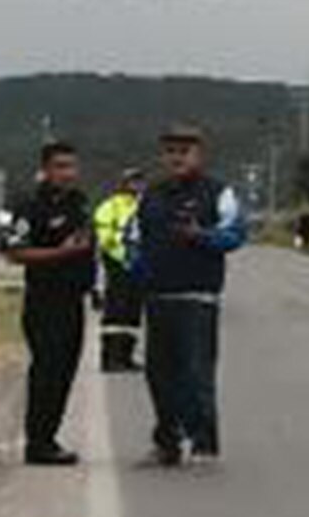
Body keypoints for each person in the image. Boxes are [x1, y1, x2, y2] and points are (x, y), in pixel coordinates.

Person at [133, 126, 245, 466]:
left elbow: (236, 234)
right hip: (157, 297)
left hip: (198, 298)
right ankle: (167, 442)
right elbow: (132, 237)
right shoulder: (150, 194)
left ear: (199, 154)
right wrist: (139, 268)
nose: (177, 156)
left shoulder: (218, 192)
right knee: (158, 374)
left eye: (185, 150)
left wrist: (201, 236)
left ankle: (203, 443)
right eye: (170, 150)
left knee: (196, 374)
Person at [2, 140, 97, 466]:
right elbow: (15, 252)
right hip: (45, 301)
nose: (68, 173)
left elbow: (87, 243)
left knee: (65, 372)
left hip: (74, 298)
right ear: (45, 169)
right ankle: (37, 443)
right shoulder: (30, 205)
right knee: (47, 371)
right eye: (60, 166)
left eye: (72, 166)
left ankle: (49, 437)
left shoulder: (79, 202)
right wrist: (61, 253)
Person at [92, 168, 149, 375]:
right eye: (133, 181)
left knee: (133, 313)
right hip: (116, 263)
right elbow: (104, 236)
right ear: (123, 183)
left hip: (139, 265)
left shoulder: (145, 205)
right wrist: (123, 254)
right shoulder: (110, 206)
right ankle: (109, 358)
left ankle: (126, 357)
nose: (137, 185)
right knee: (115, 311)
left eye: (140, 181)